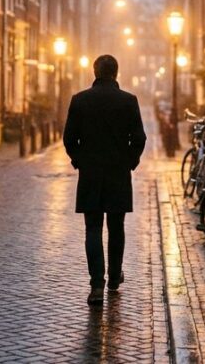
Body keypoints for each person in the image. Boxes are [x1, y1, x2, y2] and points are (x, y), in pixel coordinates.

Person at [63, 54, 146, 305]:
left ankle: (96, 285)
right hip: (118, 174)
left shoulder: (80, 100)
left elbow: (69, 138)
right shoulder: (129, 101)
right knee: (116, 227)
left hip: (90, 174)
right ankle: (114, 277)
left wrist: (80, 161)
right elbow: (139, 138)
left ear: (95, 72)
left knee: (93, 228)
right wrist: (129, 162)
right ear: (116, 73)